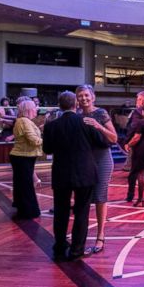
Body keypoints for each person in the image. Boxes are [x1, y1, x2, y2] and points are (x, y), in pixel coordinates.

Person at [42, 91, 107, 261]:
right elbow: (102, 142)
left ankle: (60, 245)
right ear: (76, 104)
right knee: (81, 212)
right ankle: (77, 249)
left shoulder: (51, 125)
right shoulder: (86, 122)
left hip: (61, 172)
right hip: (85, 172)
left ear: (59, 105)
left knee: (61, 211)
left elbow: (47, 149)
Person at [76, 85, 118, 252]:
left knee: (100, 197)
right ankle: (80, 237)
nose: (84, 98)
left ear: (92, 97)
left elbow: (114, 138)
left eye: (86, 95)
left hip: (102, 159)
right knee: (83, 199)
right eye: (80, 96)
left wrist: (97, 126)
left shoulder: (100, 113)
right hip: (84, 160)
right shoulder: (76, 116)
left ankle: (101, 235)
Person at [9, 100, 43, 219]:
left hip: (23, 156)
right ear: (28, 109)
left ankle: (23, 208)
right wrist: (48, 140)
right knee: (26, 185)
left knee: (22, 184)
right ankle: (28, 211)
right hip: (22, 156)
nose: (36, 109)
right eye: (34, 107)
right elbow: (34, 140)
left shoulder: (24, 121)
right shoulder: (24, 121)